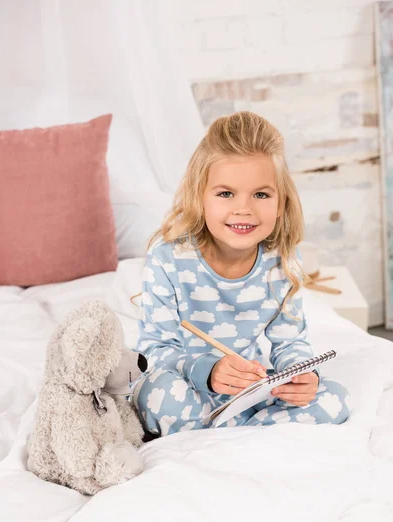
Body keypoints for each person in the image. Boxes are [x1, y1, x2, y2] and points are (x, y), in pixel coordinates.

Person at [131, 111, 350, 437]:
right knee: (160, 396)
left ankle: (221, 431)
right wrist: (206, 370)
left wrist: (301, 375)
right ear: (199, 196)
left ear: (280, 202)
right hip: (185, 382)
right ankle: (236, 430)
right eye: (225, 194)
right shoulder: (169, 258)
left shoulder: (282, 261)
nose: (243, 209)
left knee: (335, 400)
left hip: (248, 391)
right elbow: (156, 349)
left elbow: (290, 342)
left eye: (261, 194)